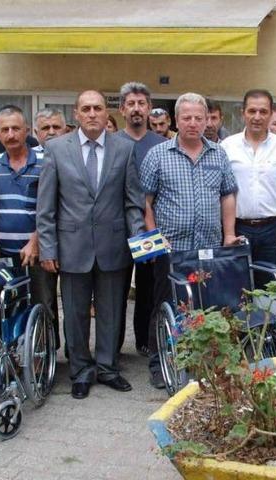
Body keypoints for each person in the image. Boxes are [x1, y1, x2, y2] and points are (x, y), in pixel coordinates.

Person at [37, 90, 145, 400]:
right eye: (86, 108)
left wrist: (138, 241)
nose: (93, 113)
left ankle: (108, 368)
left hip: (114, 246)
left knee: (112, 311)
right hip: (71, 246)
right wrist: (48, 248)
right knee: (74, 312)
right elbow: (46, 207)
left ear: (107, 112)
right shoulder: (56, 149)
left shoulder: (125, 149)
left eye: (98, 108)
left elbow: (132, 202)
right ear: (76, 114)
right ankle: (81, 371)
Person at [140, 92, 239, 388]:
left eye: (199, 117)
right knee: (165, 306)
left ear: (207, 119)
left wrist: (230, 234)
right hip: (172, 249)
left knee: (205, 308)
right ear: (176, 120)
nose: (194, 123)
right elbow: (146, 201)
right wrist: (155, 236)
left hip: (208, 249)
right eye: (187, 118)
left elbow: (228, 195)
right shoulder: (158, 154)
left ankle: (199, 361)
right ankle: (160, 363)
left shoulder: (218, 154)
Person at [0, 105, 59, 350]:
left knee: (42, 305)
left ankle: (42, 361)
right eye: (4, 129)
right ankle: (9, 361)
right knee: (3, 308)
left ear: (27, 131)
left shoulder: (47, 163)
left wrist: (35, 242)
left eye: (16, 128)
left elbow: (52, 207)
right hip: (1, 254)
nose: (11, 135)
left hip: (36, 252)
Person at [115, 82, 166, 356]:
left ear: (149, 108)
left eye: (141, 104)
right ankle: (115, 346)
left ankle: (146, 342)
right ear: (122, 109)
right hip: (116, 230)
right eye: (131, 104)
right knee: (116, 290)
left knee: (149, 287)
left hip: (150, 228)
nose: (136, 109)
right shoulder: (112, 144)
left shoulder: (162, 146)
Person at [221, 89, 276, 270]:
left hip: (272, 230)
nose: (257, 117)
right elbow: (223, 193)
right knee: (237, 285)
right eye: (252, 111)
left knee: (269, 286)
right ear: (243, 113)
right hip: (238, 227)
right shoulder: (227, 146)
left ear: (270, 114)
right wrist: (229, 233)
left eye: (263, 112)